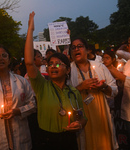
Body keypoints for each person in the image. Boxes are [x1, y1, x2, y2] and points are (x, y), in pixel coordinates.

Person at [24, 11, 87, 150]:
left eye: (58, 64)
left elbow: (83, 117)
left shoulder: (74, 91)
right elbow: (29, 62)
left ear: (68, 70)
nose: (53, 66)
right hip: (46, 140)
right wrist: (30, 29)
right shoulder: (42, 86)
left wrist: (80, 124)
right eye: (50, 64)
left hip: (69, 140)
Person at [69, 37, 119, 150]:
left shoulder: (100, 67)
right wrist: (81, 87)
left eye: (80, 46)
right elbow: (65, 95)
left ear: (87, 50)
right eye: (73, 47)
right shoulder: (69, 70)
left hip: (101, 113)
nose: (76, 49)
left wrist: (104, 86)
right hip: (82, 115)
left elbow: (115, 90)